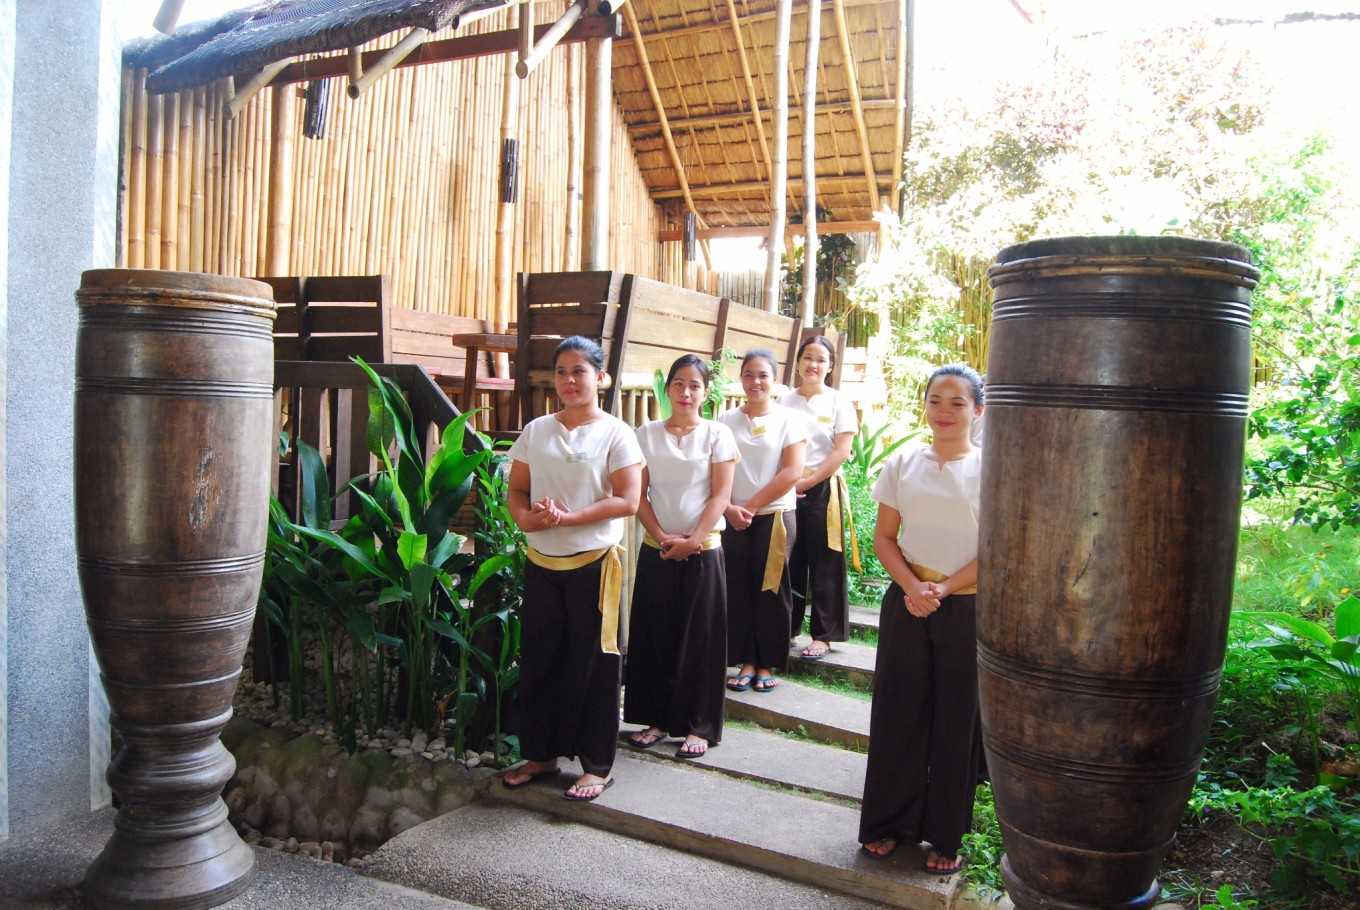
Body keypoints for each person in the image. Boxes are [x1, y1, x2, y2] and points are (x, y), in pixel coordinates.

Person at [501, 336, 643, 801]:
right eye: (561, 372)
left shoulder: (617, 434)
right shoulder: (537, 430)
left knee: (595, 665)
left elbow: (628, 500)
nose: (569, 381)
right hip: (542, 563)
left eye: (579, 371)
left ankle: (597, 764)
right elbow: (517, 492)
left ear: (599, 378)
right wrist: (526, 520)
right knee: (541, 660)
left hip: (594, 565)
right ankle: (541, 753)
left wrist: (569, 517)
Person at [858, 364, 984, 874]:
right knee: (898, 713)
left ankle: (946, 836)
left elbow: (999, 547)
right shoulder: (904, 462)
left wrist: (945, 587)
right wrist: (913, 587)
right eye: (936, 400)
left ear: (979, 409)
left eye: (958, 402)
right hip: (908, 601)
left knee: (956, 719)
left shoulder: (994, 467)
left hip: (967, 605)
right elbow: (884, 538)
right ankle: (887, 824)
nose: (945, 411)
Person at [624, 355, 739, 758]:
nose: (686, 392)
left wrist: (694, 538)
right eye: (678, 384)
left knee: (702, 639)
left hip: (704, 550)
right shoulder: (646, 434)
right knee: (655, 633)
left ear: (706, 393)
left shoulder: (718, 434)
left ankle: (698, 726)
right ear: (668, 388)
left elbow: (721, 495)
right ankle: (656, 720)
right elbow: (637, 494)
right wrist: (659, 535)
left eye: (694, 385)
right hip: (658, 549)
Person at [718, 349, 806, 694]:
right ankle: (744, 660)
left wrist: (751, 506)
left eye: (763, 375)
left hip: (774, 517)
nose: (755, 382)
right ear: (741, 378)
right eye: (749, 375)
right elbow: (716, 470)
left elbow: (792, 472)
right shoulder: (725, 421)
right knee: (737, 587)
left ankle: (766, 660)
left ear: (774, 380)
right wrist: (727, 507)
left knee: (771, 588)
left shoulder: (789, 419)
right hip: (733, 517)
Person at [783, 336, 859, 660]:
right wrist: (791, 481)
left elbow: (842, 450)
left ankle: (824, 635)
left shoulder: (838, 402)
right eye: (808, 357)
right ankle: (787, 626)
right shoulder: (784, 402)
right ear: (798, 362)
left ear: (830, 367)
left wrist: (810, 480)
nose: (813, 365)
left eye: (821, 359)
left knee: (825, 560)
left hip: (824, 489)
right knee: (790, 558)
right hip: (786, 487)